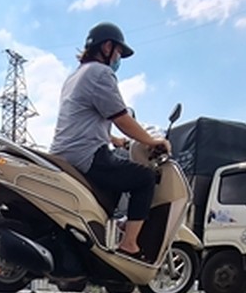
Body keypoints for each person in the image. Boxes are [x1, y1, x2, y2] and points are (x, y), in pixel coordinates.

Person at [49, 22, 170, 258]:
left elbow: (86, 119)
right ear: (106, 47)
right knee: (144, 179)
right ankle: (129, 245)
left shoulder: (74, 77)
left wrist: (119, 142)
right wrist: (152, 142)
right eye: (118, 53)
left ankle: (92, 248)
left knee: (111, 189)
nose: (118, 59)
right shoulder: (100, 73)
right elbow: (122, 118)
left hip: (63, 152)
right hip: (85, 154)